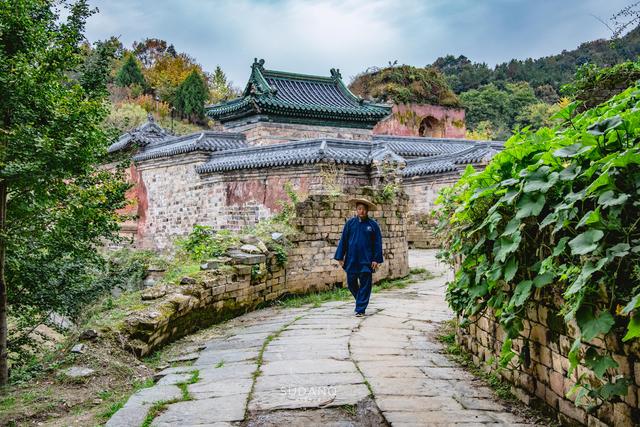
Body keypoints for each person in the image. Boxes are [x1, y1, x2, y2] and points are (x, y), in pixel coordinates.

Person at [334, 198, 383, 317]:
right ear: (356, 210)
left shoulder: (373, 225)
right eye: (359, 209)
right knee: (351, 283)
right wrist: (340, 257)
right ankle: (361, 300)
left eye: (363, 209)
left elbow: (377, 243)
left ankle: (360, 309)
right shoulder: (350, 224)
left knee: (365, 285)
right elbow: (343, 241)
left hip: (366, 260)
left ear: (367, 211)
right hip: (352, 259)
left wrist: (376, 259)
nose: (361, 211)